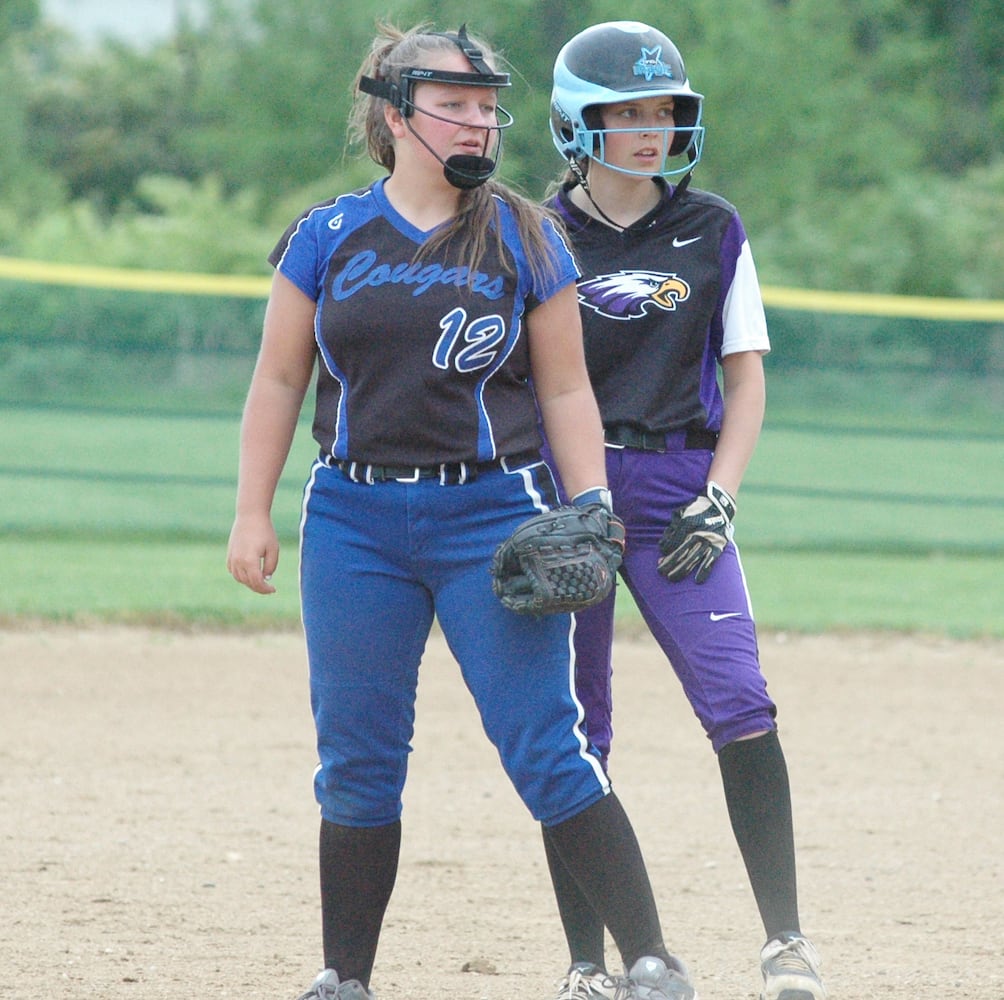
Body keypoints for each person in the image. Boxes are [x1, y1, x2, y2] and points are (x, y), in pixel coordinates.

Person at [226, 21, 696, 1000]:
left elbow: (567, 392)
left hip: (490, 515)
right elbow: (277, 379)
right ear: (397, 117)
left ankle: (649, 959)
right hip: (354, 517)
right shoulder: (325, 237)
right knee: (356, 756)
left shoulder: (526, 233)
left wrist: (594, 505)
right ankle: (342, 977)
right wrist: (251, 512)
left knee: (545, 747)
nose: (479, 120)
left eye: (488, 105)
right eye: (456, 104)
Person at [539, 21, 827, 1000]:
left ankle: (784, 942)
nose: (651, 127)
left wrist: (720, 494)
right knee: (574, 729)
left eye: (664, 110)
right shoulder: (532, 234)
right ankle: (588, 962)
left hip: (675, 488)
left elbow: (743, 383)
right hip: (567, 489)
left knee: (739, 704)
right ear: (577, 122)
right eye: (627, 111)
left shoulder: (712, 229)